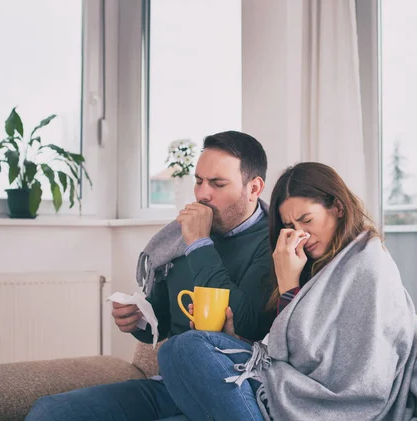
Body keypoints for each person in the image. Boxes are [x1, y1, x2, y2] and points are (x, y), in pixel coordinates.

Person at [157, 162, 417, 421]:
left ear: (338, 207)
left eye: (307, 220)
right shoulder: (319, 264)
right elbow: (288, 353)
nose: (299, 235)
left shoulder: (368, 264)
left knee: (190, 347)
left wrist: (288, 286)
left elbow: (326, 368)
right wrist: (238, 339)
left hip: (333, 404)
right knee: (172, 350)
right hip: (292, 389)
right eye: (289, 226)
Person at [26, 131, 275, 421]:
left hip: (227, 390)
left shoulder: (271, 243)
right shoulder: (178, 238)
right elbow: (164, 322)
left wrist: (199, 244)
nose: (202, 194)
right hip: (170, 385)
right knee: (50, 412)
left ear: (254, 188)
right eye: (198, 181)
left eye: (218, 184)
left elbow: (246, 324)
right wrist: (139, 320)